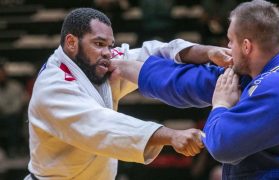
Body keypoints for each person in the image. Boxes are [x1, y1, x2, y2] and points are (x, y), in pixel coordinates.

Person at [111, 0, 279, 179]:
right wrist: (121, 65)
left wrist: (221, 104)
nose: (227, 47)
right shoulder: (273, 69)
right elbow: (196, 81)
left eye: (230, 41)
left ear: (246, 46)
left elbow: (222, 146)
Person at [25, 7, 231, 180]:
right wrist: (172, 135)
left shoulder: (94, 63)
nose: (107, 52)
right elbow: (102, 125)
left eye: (109, 45)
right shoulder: (52, 87)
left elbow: (153, 53)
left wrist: (207, 52)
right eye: (98, 44)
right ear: (71, 43)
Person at [0, 62, 26, 158]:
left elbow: (17, 106)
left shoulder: (16, 86)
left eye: (1, 73)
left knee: (13, 121)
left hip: (13, 116)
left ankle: (13, 149)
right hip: (1, 116)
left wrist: (5, 110)